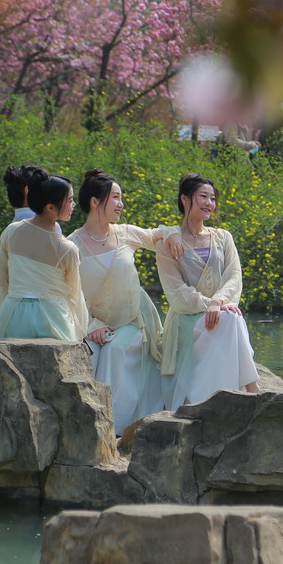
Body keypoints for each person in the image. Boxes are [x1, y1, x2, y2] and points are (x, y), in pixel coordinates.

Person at [69, 170, 185, 432]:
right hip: (93, 322)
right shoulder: (72, 245)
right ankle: (93, 422)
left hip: (134, 319)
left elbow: (158, 234)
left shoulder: (125, 233)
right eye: (116, 198)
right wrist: (92, 325)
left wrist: (172, 234)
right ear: (95, 201)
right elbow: (69, 295)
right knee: (92, 351)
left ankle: (112, 427)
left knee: (116, 349)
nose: (121, 204)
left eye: (121, 198)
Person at [156, 173, 260, 411]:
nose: (209, 204)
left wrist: (218, 301)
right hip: (186, 319)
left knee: (231, 319)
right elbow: (175, 292)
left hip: (218, 311)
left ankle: (234, 394)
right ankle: (252, 389)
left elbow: (234, 276)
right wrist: (210, 304)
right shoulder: (167, 244)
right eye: (203, 197)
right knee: (232, 319)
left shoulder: (223, 237)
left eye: (212, 198)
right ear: (185, 199)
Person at [0, 170, 88, 342]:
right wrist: (80, 328)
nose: (73, 204)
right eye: (69, 200)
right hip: (52, 317)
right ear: (50, 208)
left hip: (13, 313)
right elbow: (74, 294)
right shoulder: (67, 248)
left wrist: (0, 314)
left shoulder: (11, 232)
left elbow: (0, 279)